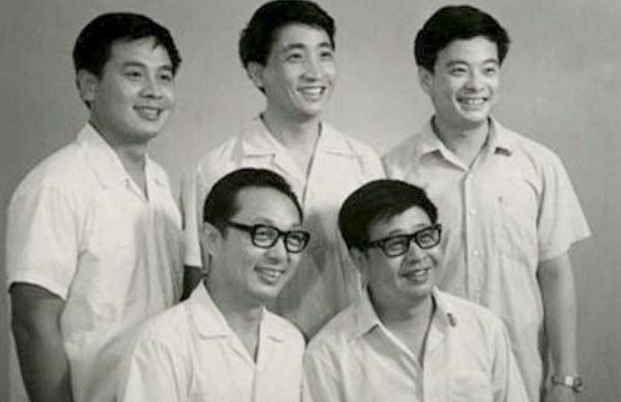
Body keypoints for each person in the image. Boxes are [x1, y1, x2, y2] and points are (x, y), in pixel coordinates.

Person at [383, 5, 590, 402]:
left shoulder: (538, 164)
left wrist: (564, 378)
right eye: (459, 70)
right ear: (426, 78)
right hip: (427, 377)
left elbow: (555, 274)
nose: (477, 84)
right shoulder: (393, 171)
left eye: (489, 69)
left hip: (523, 371)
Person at [6, 12, 183, 402]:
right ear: (89, 85)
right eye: (134, 75)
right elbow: (33, 322)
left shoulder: (161, 183)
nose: (154, 91)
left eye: (165, 76)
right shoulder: (56, 185)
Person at [181, 0, 384, 337]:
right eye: (295, 57)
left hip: (348, 351)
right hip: (255, 353)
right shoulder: (218, 168)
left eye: (324, 54)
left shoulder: (363, 161)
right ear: (257, 72)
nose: (315, 72)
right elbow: (198, 283)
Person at [303, 179, 528, 402]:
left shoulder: (484, 328)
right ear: (359, 259)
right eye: (396, 243)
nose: (417, 255)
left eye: (425, 236)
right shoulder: (328, 355)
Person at [118, 168, 308, 402]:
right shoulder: (163, 343)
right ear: (211, 240)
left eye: (293, 237)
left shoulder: (291, 342)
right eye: (263, 234)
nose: (280, 254)